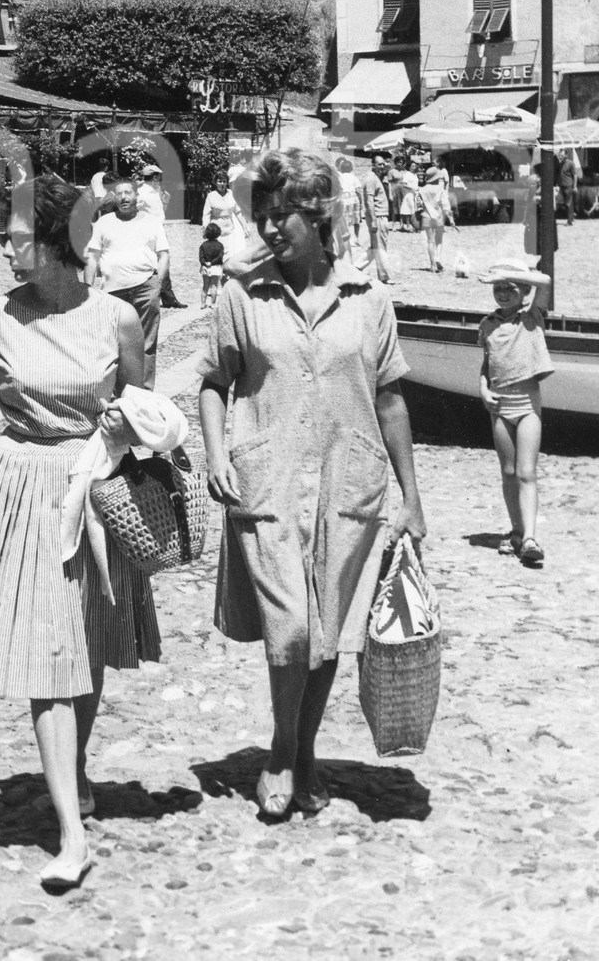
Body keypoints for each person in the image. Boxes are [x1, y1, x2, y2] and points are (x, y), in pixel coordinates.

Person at [0, 174, 160, 892]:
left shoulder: (118, 319)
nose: (2, 243)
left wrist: (135, 434)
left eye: (14, 233)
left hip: (95, 487)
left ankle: (73, 772)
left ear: (55, 242)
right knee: (46, 654)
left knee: (86, 644)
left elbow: (141, 412)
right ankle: (72, 836)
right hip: (23, 491)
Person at [199, 148, 426, 819]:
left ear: (319, 213)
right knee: (292, 625)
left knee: (328, 630)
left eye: (282, 215)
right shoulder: (241, 293)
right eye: (262, 215)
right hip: (265, 478)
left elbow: (389, 399)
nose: (270, 228)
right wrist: (215, 451)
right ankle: (280, 745)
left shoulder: (370, 296)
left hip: (350, 478)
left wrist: (412, 497)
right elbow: (214, 382)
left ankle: (304, 749)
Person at [477, 258, 553, 569]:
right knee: (508, 473)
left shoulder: (532, 317)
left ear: (523, 291)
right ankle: (518, 531)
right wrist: (482, 390)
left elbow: (545, 281)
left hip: (526, 408)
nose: (502, 293)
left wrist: (508, 273)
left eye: (509, 289)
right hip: (499, 407)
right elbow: (486, 365)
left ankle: (532, 537)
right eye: (497, 288)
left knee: (526, 472)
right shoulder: (487, 325)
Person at [85, 179, 169, 387]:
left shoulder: (151, 221)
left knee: (146, 344)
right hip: (112, 293)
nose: (123, 197)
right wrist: (87, 289)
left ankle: (143, 393)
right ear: (114, 197)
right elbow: (92, 256)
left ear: (136, 196)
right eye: (119, 193)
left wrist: (158, 284)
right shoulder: (104, 222)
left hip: (145, 288)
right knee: (112, 344)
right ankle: (116, 392)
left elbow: (164, 255)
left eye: (128, 193)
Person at [136, 164, 187, 310]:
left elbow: (159, 212)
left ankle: (167, 297)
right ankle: (155, 296)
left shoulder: (153, 191)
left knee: (163, 262)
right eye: (158, 177)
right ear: (155, 177)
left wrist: (165, 201)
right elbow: (136, 211)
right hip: (149, 232)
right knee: (155, 263)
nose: (160, 179)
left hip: (158, 229)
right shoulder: (143, 193)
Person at [201, 170, 248, 266]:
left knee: (229, 259)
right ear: (215, 182)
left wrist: (245, 227)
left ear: (227, 183)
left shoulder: (231, 194)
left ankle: (226, 278)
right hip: (216, 234)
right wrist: (205, 229)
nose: (222, 184)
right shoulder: (211, 196)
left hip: (229, 233)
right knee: (217, 260)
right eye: (219, 181)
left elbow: (238, 212)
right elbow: (206, 215)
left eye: (224, 181)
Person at [417, 165, 455, 273]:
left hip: (426, 216)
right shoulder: (440, 189)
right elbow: (446, 205)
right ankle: (438, 258)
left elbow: (418, 205)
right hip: (439, 216)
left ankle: (432, 264)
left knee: (430, 241)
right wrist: (451, 219)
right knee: (439, 240)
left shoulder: (421, 189)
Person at [362, 156, 393, 284]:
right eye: (379, 164)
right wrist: (374, 220)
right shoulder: (371, 179)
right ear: (373, 165)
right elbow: (369, 201)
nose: (382, 167)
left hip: (381, 216)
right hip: (378, 216)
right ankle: (384, 276)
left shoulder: (376, 178)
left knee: (376, 246)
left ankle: (356, 267)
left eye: (383, 164)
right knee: (380, 246)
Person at [199, 222, 225, 308]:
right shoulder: (220, 245)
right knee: (214, 286)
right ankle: (213, 304)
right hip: (216, 267)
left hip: (205, 267)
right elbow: (220, 257)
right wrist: (212, 262)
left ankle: (203, 303)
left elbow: (201, 257)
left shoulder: (203, 245)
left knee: (205, 286)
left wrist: (205, 263)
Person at [558, 149, 581, 227]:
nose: (560, 156)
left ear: (566, 155)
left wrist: (574, 186)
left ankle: (569, 221)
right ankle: (571, 218)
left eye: (562, 155)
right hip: (562, 185)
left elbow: (575, 175)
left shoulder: (570, 163)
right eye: (560, 155)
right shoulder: (561, 163)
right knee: (567, 203)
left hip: (568, 185)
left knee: (568, 203)